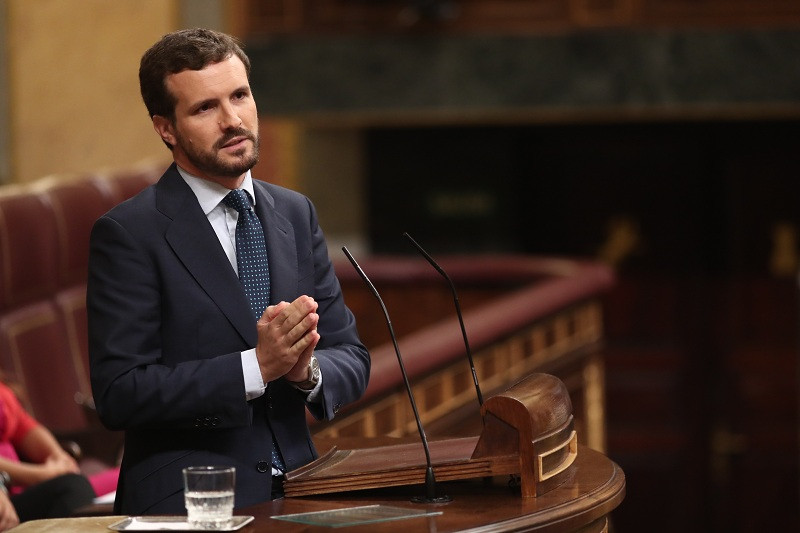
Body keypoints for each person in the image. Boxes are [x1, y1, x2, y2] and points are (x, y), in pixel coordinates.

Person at [87, 28, 370, 515]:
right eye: (204, 108)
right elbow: (120, 393)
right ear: (166, 128)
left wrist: (306, 373)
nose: (233, 120)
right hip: (190, 502)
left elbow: (352, 356)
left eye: (240, 96)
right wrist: (256, 368)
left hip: (304, 491)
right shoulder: (130, 232)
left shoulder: (295, 212)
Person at [0, 380, 101, 525]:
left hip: (12, 493)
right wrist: (42, 474)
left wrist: (58, 457)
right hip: (8, 492)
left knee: (123, 478)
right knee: (73, 487)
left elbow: (25, 428)